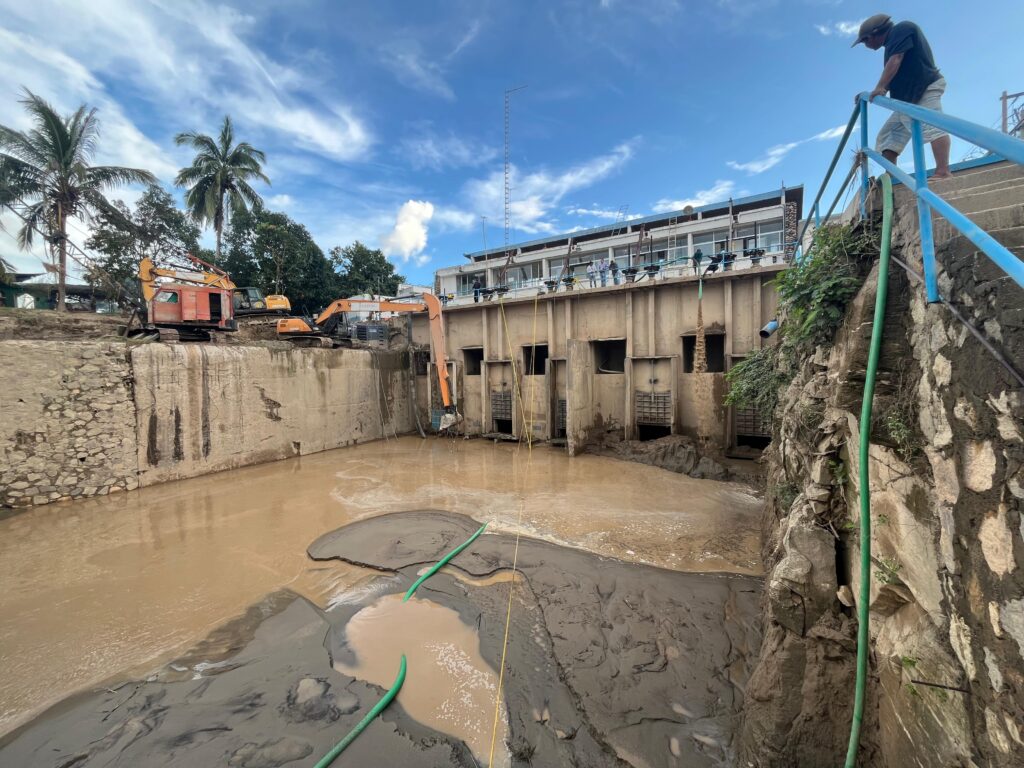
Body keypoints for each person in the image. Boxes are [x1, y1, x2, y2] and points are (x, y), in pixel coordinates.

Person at [852, 13, 951, 179]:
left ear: (873, 35)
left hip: (923, 89)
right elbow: (894, 71)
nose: (865, 45)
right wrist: (872, 92)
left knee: (932, 127)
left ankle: (943, 172)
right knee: (888, 135)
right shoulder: (891, 44)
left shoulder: (901, 29)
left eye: (864, 41)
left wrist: (880, 87)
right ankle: (891, 177)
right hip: (907, 101)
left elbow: (896, 59)